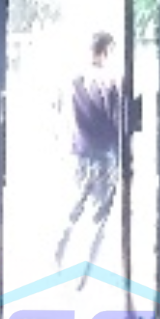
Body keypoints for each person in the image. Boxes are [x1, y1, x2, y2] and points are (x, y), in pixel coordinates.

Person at [54, 31, 121, 271]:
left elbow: (63, 115)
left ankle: (60, 250)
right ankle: (89, 267)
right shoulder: (111, 81)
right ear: (106, 51)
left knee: (76, 204)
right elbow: (117, 120)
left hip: (80, 151)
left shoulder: (76, 79)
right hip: (105, 153)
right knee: (101, 214)